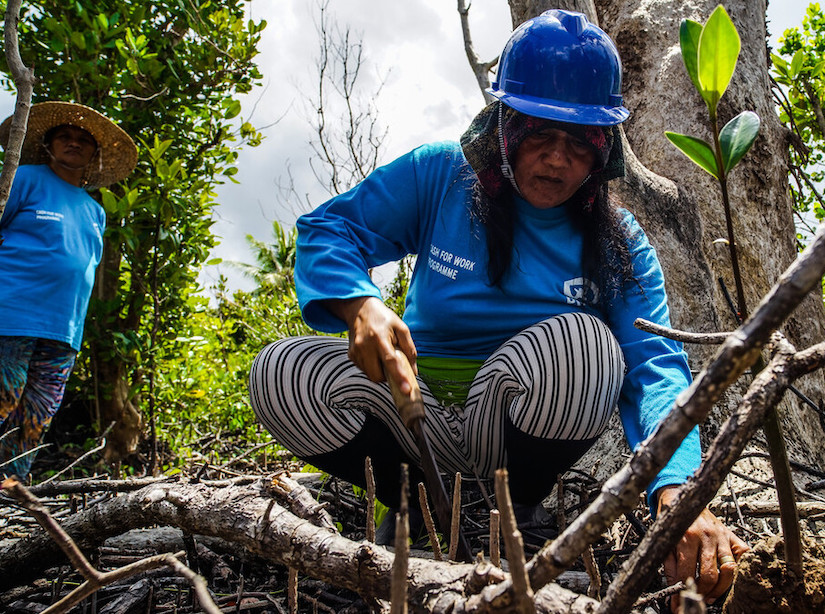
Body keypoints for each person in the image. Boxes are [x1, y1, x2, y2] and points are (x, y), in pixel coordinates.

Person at [249, 9, 748, 605]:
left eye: (580, 142)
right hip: (417, 414)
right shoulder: (440, 176)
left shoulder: (620, 241)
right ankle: (420, 513)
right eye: (538, 132)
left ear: (605, 152)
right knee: (282, 373)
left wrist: (679, 493)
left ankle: (510, 518)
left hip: (516, 428)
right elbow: (331, 229)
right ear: (502, 128)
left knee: (587, 348)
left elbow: (655, 367)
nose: (557, 159)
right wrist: (360, 306)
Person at [0, 101, 137, 481]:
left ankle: (11, 493)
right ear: (48, 145)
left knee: (36, 417)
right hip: (11, 315)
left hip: (63, 331)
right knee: (2, 402)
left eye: (82, 139)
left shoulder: (95, 211)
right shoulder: (24, 178)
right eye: (64, 136)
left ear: (95, 152)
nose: (73, 143)